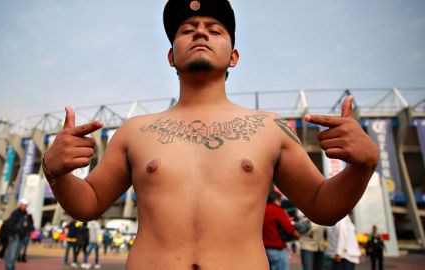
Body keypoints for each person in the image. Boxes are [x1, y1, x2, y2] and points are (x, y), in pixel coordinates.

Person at [42, 0, 379, 269]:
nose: (200, 33)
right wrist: (55, 172)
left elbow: (322, 207)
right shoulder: (136, 131)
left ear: (233, 57)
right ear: (171, 56)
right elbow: (89, 204)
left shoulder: (270, 128)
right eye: (188, 29)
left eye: (214, 30)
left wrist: (363, 166)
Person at [263, 191, 300, 270]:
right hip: (277, 248)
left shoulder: (262, 210)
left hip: (265, 249)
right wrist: (296, 234)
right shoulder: (277, 210)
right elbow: (288, 228)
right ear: (276, 200)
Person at [5, 198, 30, 270]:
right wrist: (14, 233)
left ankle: (11, 267)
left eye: (26, 205)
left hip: (22, 236)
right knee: (12, 254)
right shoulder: (15, 213)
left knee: (16, 254)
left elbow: (27, 225)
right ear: (20, 205)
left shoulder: (26, 214)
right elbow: (10, 224)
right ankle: (9, 267)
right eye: (24, 205)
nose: (25, 206)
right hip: (15, 236)